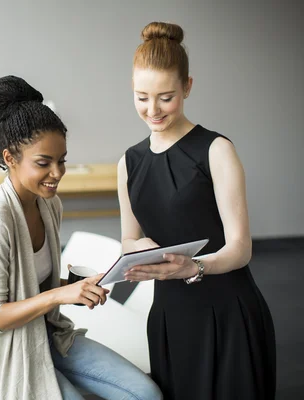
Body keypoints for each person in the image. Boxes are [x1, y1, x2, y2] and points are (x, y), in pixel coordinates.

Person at [0, 76, 161, 400]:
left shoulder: (49, 205)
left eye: (62, 161)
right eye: (43, 163)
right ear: (9, 158)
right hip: (4, 353)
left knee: (147, 394)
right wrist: (59, 296)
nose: (57, 173)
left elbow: (34, 286)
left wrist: (75, 287)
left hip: (48, 335)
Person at [119, 22, 276, 399]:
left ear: (187, 87)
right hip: (170, 319)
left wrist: (196, 266)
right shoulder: (129, 162)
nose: (152, 110)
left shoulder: (216, 150)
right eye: (142, 97)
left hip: (227, 315)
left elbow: (241, 247)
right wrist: (135, 250)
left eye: (166, 97)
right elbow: (128, 237)